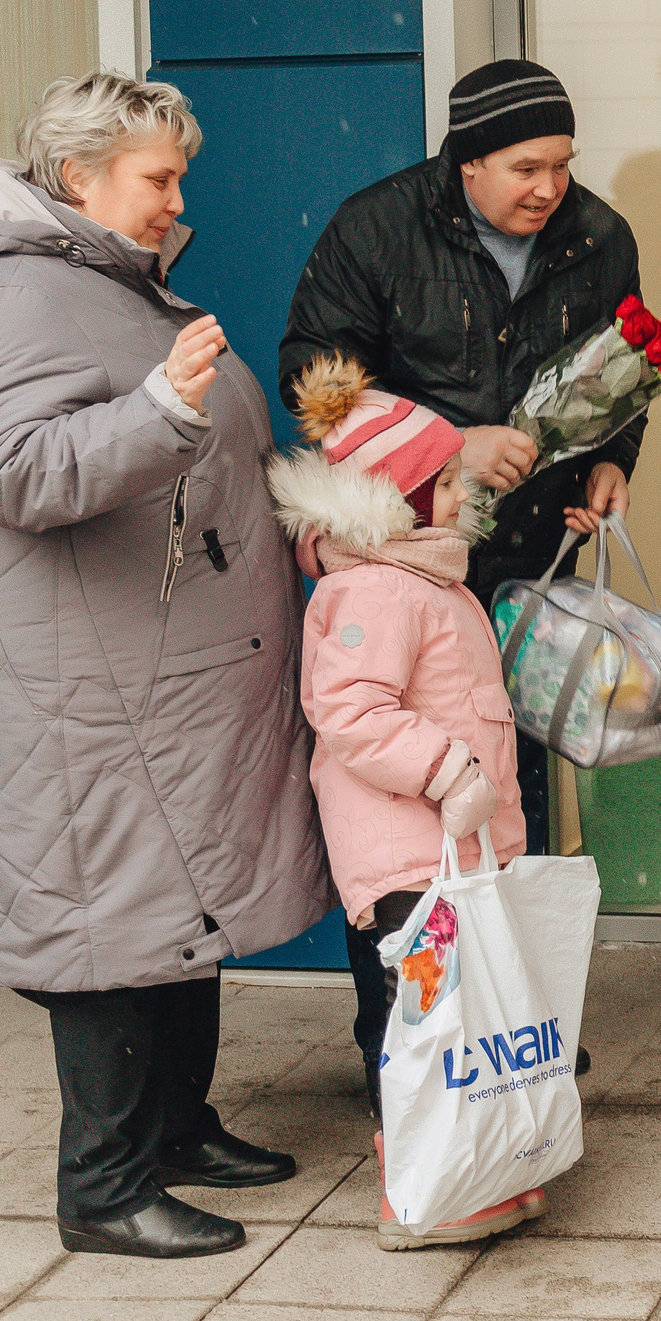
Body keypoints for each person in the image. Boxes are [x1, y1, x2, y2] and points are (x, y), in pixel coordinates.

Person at [0, 71, 329, 1260]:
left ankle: (177, 1130)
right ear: (76, 175)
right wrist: (157, 410)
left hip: (159, 671)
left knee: (173, 905)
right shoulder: (11, 299)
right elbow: (16, 475)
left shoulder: (103, 286)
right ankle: (101, 1188)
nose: (176, 198)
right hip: (78, 688)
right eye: (158, 176)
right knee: (104, 919)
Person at [279, 59, 646, 859]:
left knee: (516, 791)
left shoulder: (601, 238)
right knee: (409, 794)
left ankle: (509, 977)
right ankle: (408, 976)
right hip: (406, 563)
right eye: (527, 168)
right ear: (468, 161)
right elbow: (316, 382)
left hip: (529, 567)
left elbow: (622, 369)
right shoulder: (374, 228)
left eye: (562, 164)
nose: (550, 187)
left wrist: (610, 465)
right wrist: (448, 446)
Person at [267, 353, 548, 1250]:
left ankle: (479, 1165)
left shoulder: (425, 573)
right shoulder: (377, 587)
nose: (466, 494)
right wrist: (448, 774)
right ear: (402, 496)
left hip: (449, 848)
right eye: (450, 480)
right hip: (405, 858)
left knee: (458, 1019)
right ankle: (418, 1189)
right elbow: (349, 708)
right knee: (419, 1024)